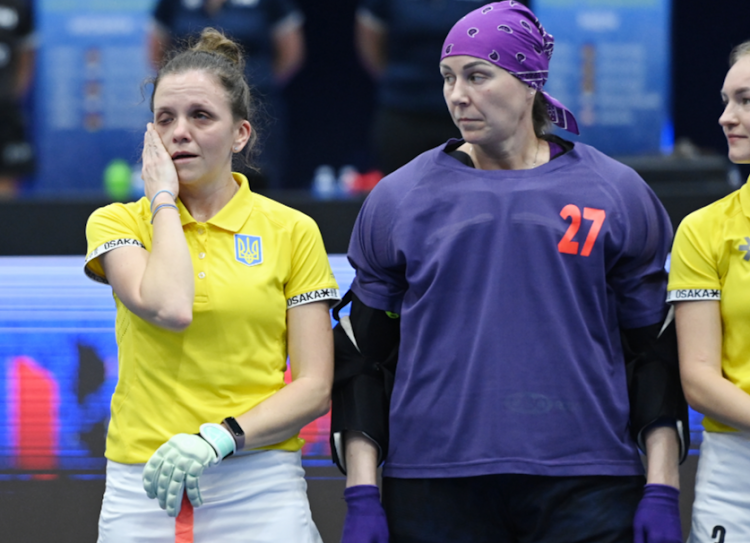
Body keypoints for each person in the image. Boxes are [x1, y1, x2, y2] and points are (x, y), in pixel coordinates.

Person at [330, 2, 689, 542]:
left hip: (587, 481)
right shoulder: (399, 199)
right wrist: (361, 494)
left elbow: (653, 354)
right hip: (435, 483)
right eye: (449, 77)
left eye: (478, 75)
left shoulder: (615, 192)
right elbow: (364, 357)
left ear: (530, 83)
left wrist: (662, 487)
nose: (457, 95)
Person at [84, 28, 339, 542]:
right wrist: (161, 200)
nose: (180, 132)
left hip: (259, 482)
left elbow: (315, 387)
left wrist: (221, 438)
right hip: (142, 485)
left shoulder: (291, 230)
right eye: (165, 119)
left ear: (240, 133)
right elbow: (171, 307)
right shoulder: (115, 223)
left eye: (201, 116)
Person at [668, 40, 750, 543]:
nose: (725, 116)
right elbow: (698, 378)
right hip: (736, 472)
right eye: (726, 100)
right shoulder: (702, 230)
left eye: (746, 100)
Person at [149, 0, 306, 190]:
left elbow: (291, 53)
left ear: (242, 132)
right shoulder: (171, 4)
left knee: (261, 181)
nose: (180, 133)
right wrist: (187, 95)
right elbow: (156, 53)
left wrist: (249, 91)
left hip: (258, 108)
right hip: (189, 106)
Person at [355, 0, 500, 175]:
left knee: (471, 192)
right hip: (403, 110)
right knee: (402, 192)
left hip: (469, 111)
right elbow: (370, 41)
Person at [0, 0, 35, 198]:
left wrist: (14, 94)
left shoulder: (19, 5)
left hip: (5, 107)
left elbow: (27, 53)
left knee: (7, 175)